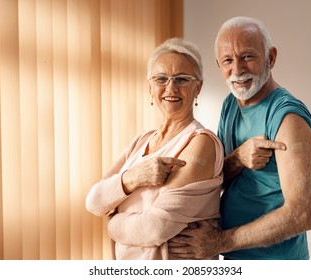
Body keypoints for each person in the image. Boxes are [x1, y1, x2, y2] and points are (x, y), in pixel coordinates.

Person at [168, 16, 311, 260]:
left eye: (248, 57)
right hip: (233, 258)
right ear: (219, 64)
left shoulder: (288, 117)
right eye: (228, 60)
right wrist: (237, 158)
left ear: (271, 58)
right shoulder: (230, 104)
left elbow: (302, 214)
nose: (237, 70)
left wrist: (219, 242)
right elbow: (218, 178)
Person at [85, 38, 224, 260]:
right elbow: (94, 202)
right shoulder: (142, 141)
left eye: (182, 79)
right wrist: (134, 177)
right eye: (161, 79)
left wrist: (112, 223)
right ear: (150, 87)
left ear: (198, 87)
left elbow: (155, 228)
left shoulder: (200, 143)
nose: (171, 88)